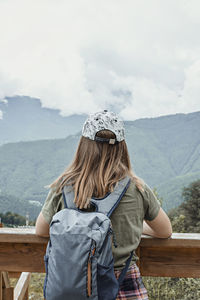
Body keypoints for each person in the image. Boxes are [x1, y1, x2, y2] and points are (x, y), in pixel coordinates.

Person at [36, 110, 172, 300]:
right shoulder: (137, 188)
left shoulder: (64, 186)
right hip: (124, 283)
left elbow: (41, 230)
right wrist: (135, 225)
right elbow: (165, 231)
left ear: (83, 145)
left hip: (76, 284)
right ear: (121, 147)